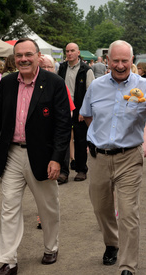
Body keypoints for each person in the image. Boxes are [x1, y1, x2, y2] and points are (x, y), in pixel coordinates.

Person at [0, 37, 71, 275]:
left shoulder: (54, 83)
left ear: (38, 56)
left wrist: (57, 158)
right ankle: (8, 260)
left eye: (28, 54)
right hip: (11, 155)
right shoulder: (8, 84)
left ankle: (51, 246)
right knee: (9, 207)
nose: (23, 59)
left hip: (42, 156)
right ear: (14, 58)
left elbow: (63, 125)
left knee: (48, 206)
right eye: (19, 55)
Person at [80, 40, 146, 275]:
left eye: (124, 60)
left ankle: (127, 266)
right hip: (98, 158)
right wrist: (99, 136)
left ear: (132, 60)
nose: (119, 65)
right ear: (107, 61)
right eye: (115, 60)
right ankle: (112, 243)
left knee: (128, 213)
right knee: (101, 208)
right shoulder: (96, 87)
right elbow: (86, 115)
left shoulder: (144, 87)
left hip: (129, 157)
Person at [57, 42, 95, 183]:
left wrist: (84, 111)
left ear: (78, 53)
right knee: (63, 140)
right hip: (63, 109)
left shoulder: (86, 70)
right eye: (67, 51)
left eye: (72, 50)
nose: (69, 53)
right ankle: (63, 171)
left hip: (79, 110)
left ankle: (81, 170)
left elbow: (90, 92)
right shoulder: (61, 68)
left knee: (80, 141)